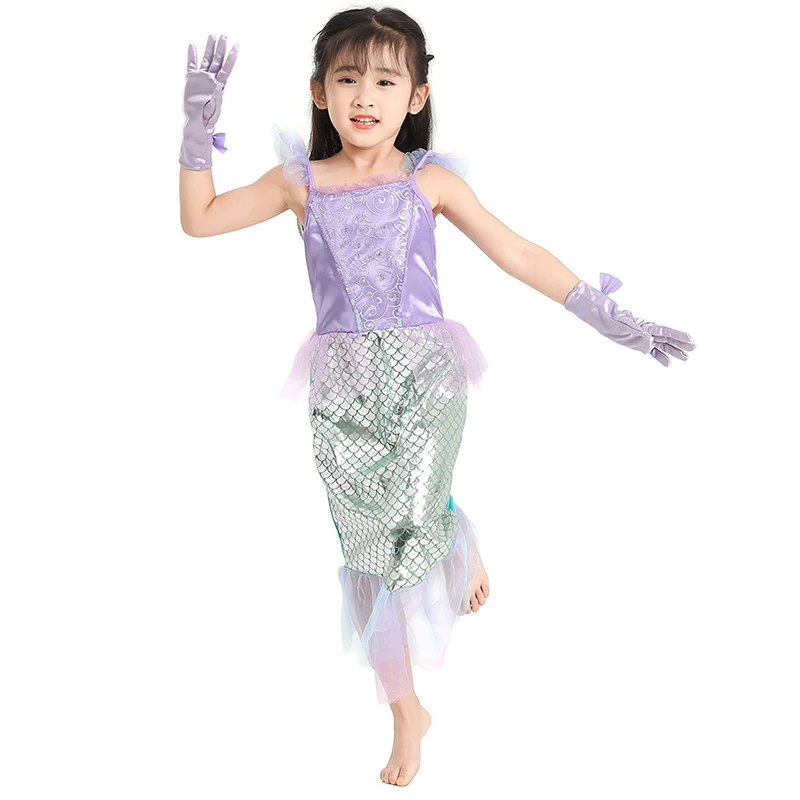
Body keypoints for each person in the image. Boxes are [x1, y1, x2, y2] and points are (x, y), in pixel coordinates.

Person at [178, 8, 696, 787]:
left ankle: (449, 526)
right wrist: (196, 132)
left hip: (425, 379)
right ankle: (406, 711)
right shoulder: (300, 183)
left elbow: (517, 251)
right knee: (366, 553)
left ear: (416, 96)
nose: (365, 96)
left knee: (412, 524)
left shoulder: (430, 182)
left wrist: (606, 316)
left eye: (386, 81)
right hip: (343, 389)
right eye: (348, 78)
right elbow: (201, 219)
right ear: (319, 92)